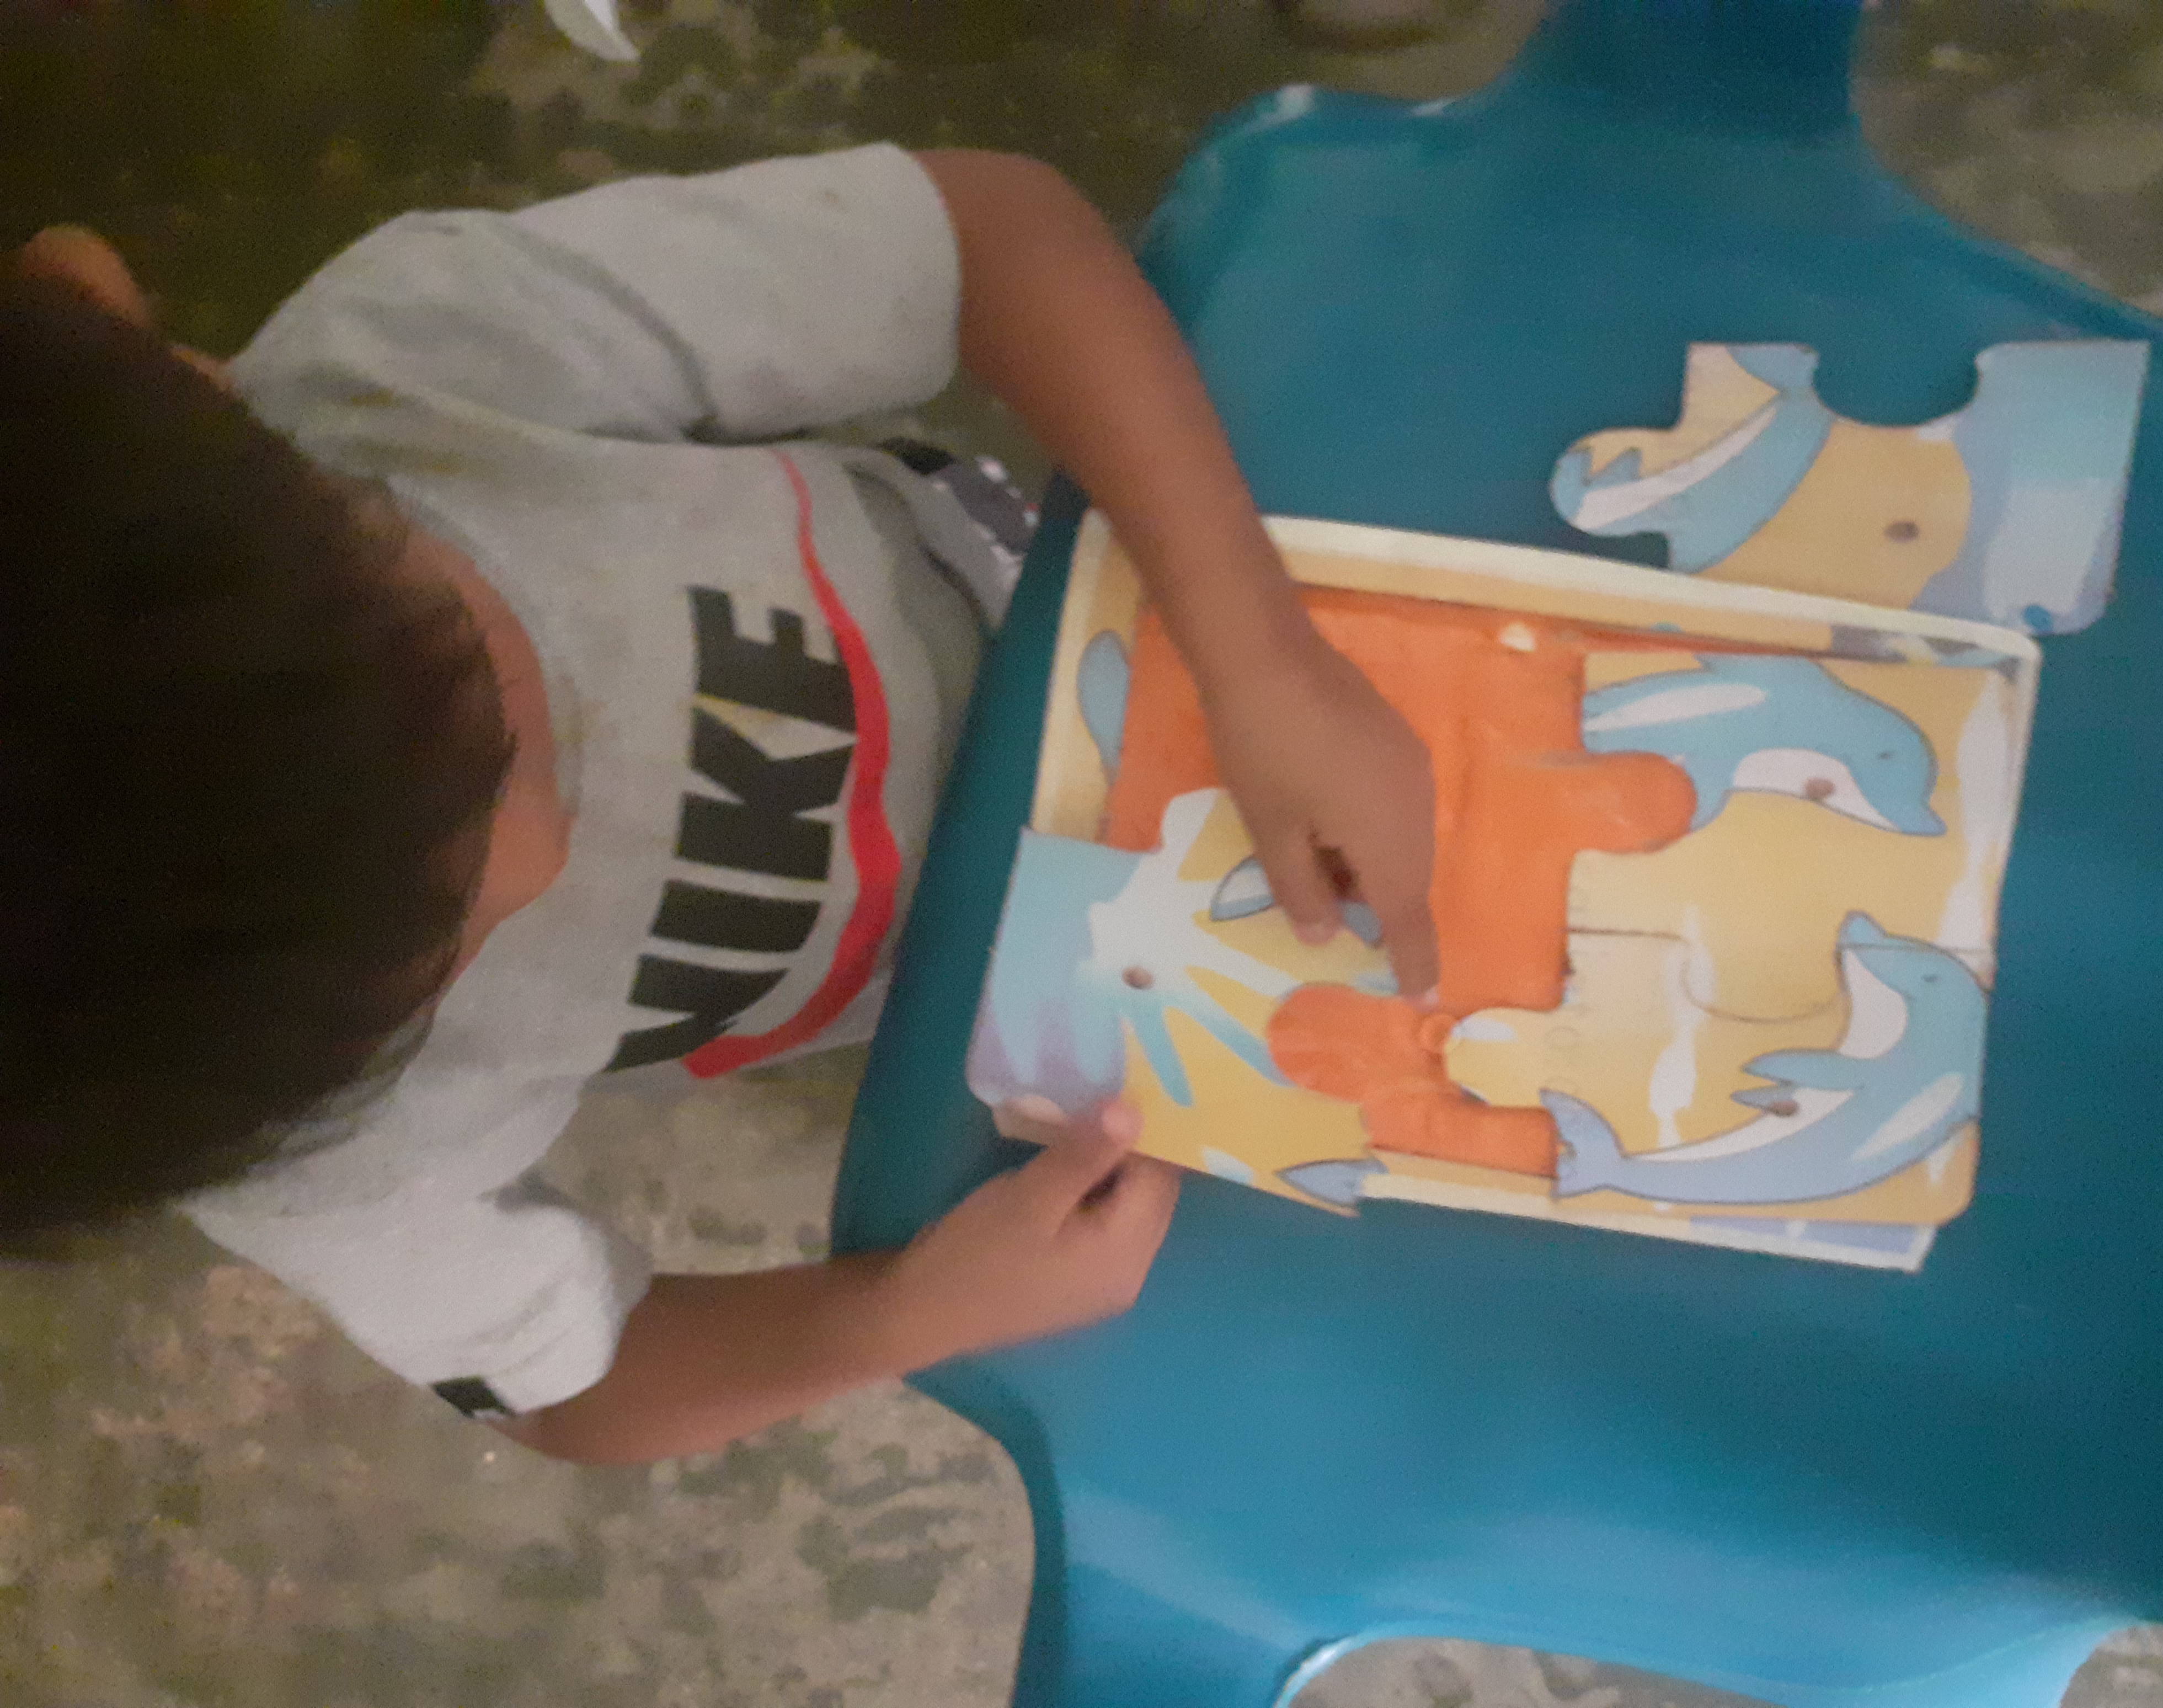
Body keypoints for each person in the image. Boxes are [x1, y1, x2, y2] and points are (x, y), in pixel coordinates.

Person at [0, 145, 1438, 1465]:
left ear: (162, 355)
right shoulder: (303, 1158)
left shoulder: (422, 360)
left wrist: (1255, 654)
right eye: (437, 956)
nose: (542, 861)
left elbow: (990, 244)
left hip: (1045, 606)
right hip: (982, 985)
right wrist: (904, 1313)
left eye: (495, 705)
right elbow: (576, 1387)